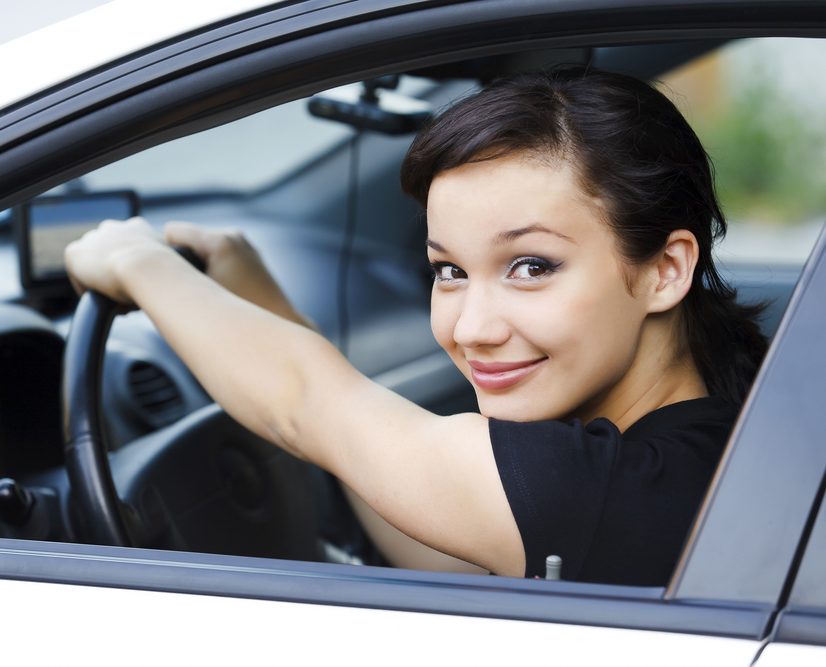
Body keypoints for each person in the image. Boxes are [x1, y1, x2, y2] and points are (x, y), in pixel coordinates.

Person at [64, 66, 767, 586]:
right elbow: (442, 542)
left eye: (531, 266)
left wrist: (134, 262)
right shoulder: (726, 437)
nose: (474, 328)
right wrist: (269, 307)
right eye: (450, 271)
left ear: (665, 270)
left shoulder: (617, 486)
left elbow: (307, 406)